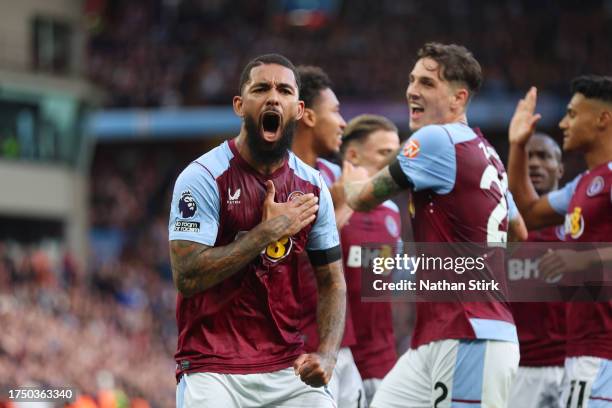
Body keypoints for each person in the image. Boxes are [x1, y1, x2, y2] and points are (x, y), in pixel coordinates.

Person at [343, 42, 523, 407]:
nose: (412, 89)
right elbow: (517, 234)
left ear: (458, 98)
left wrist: (349, 176)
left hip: (470, 335)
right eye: (412, 80)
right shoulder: (488, 154)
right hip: (437, 337)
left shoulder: (435, 139)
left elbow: (361, 198)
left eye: (427, 83)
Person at [168, 53, 346, 408]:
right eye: (261, 88)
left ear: (297, 109)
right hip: (212, 367)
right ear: (239, 104)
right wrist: (266, 233)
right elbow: (187, 276)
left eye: (283, 90)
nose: (272, 97)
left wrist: (327, 354)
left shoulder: (311, 186)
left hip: (286, 367)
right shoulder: (202, 177)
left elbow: (332, 280)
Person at [507, 76, 612, 407]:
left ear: (602, 119)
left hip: (604, 350)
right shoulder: (585, 183)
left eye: (572, 114)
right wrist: (517, 145)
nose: (564, 123)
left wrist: (582, 260)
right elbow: (529, 209)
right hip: (582, 349)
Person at [292, 65, 366, 408]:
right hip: (299, 354)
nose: (342, 123)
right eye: (334, 111)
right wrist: (338, 211)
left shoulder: (336, 175)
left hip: (340, 346)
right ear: (306, 115)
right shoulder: (278, 180)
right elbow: (280, 263)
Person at [339, 114, 401, 405]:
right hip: (335, 359)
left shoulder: (393, 214)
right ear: (353, 155)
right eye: (384, 153)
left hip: (383, 359)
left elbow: (392, 284)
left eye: (397, 153)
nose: (395, 162)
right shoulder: (330, 207)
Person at [508, 133, 567, 408]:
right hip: (517, 370)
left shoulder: (585, 227)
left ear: (561, 169)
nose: (533, 164)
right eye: (527, 156)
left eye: (544, 156)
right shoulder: (497, 229)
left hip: (575, 365)